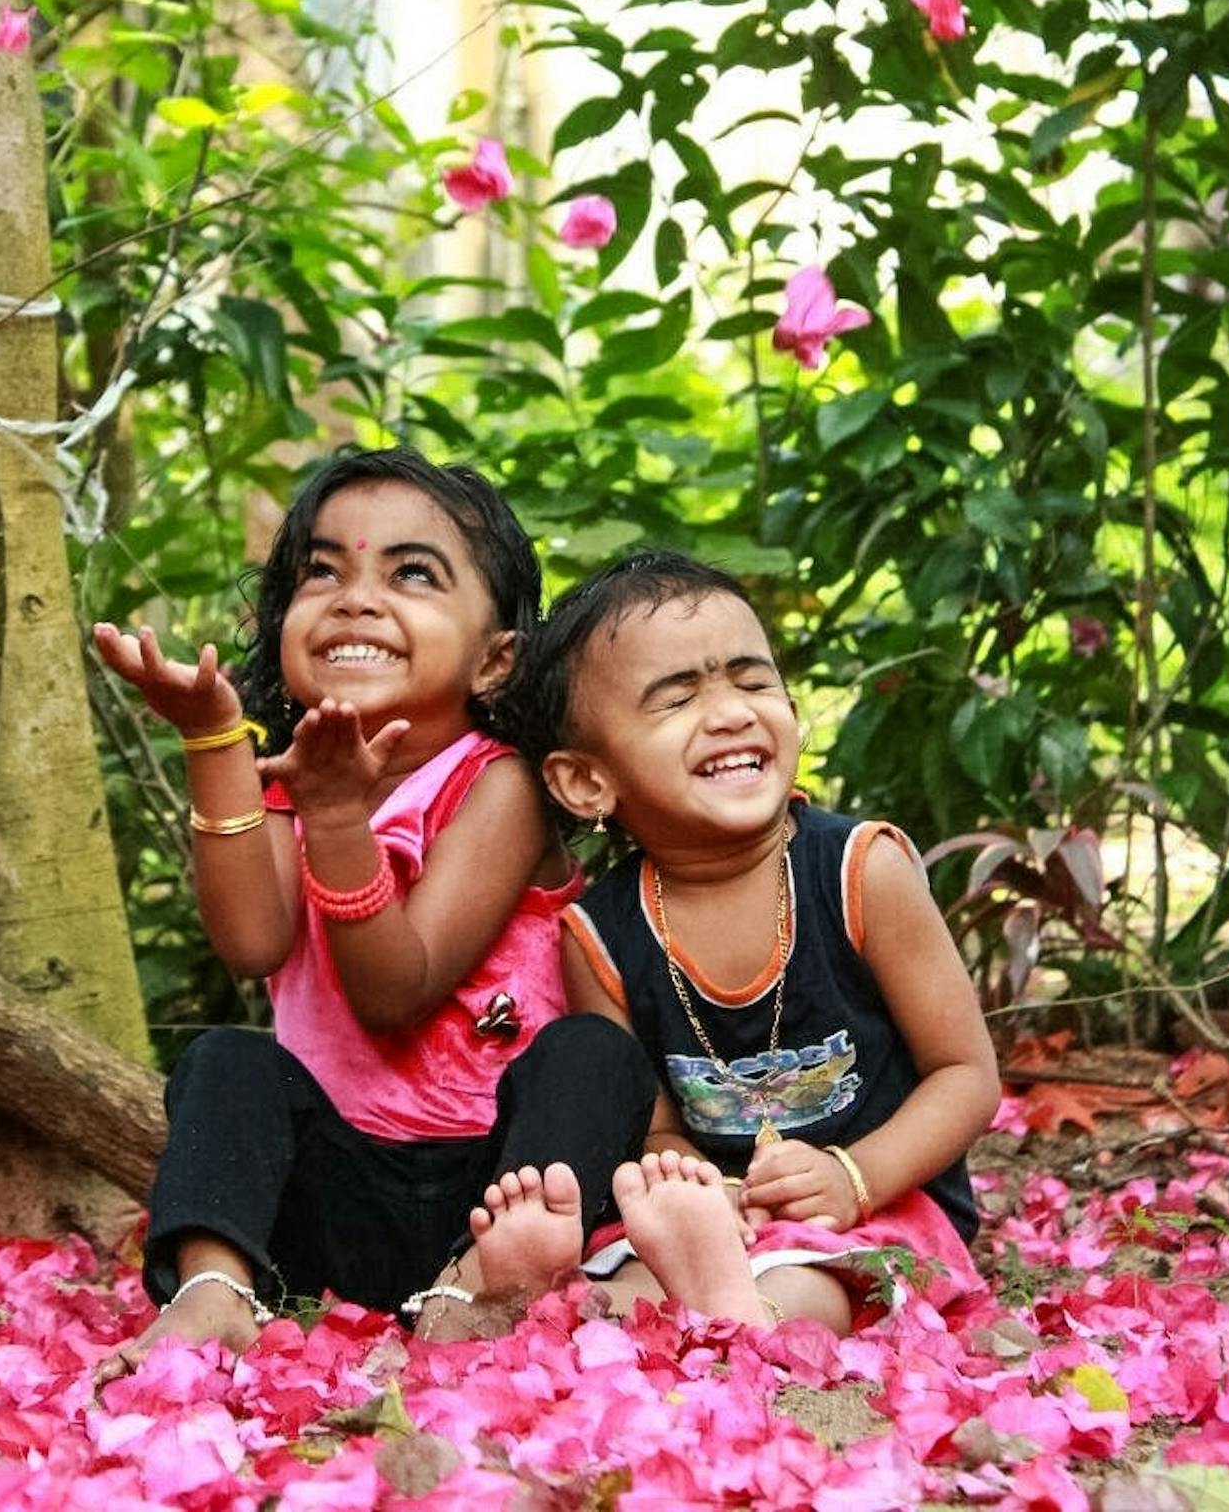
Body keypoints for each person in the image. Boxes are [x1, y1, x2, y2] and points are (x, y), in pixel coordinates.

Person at [93, 449, 656, 1367]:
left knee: (594, 1057)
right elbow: (249, 942)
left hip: (498, 1187)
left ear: (495, 658)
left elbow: (397, 989)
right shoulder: (285, 787)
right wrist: (212, 740)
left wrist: (338, 818)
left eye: (412, 574)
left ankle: (484, 1285)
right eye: (322, 571)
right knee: (226, 1063)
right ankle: (217, 1288)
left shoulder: (498, 786)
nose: (353, 599)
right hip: (337, 1198)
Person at [466, 549, 1000, 1334]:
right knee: (624, 1281)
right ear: (586, 783)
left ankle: (743, 1309)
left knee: (820, 1283)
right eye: (676, 699)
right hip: (716, 1218)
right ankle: (551, 1296)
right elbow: (650, 1123)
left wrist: (853, 1178)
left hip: (876, 1206)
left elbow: (965, 1075)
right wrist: (693, 1182)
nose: (730, 713)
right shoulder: (599, 935)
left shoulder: (861, 871)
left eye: (752, 682)